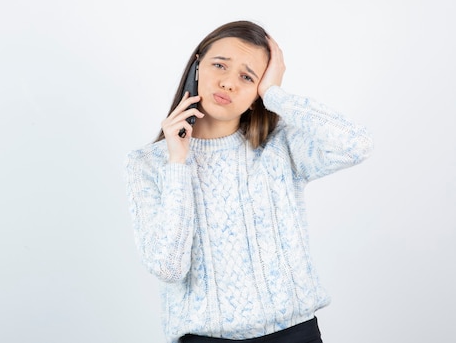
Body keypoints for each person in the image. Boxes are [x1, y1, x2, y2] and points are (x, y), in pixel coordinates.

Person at [124, 21, 373, 343]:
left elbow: (357, 145)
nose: (228, 83)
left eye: (247, 77)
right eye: (219, 66)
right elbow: (168, 267)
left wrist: (275, 95)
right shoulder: (149, 163)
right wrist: (178, 164)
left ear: (258, 94)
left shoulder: (280, 146)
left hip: (294, 335)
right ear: (196, 68)